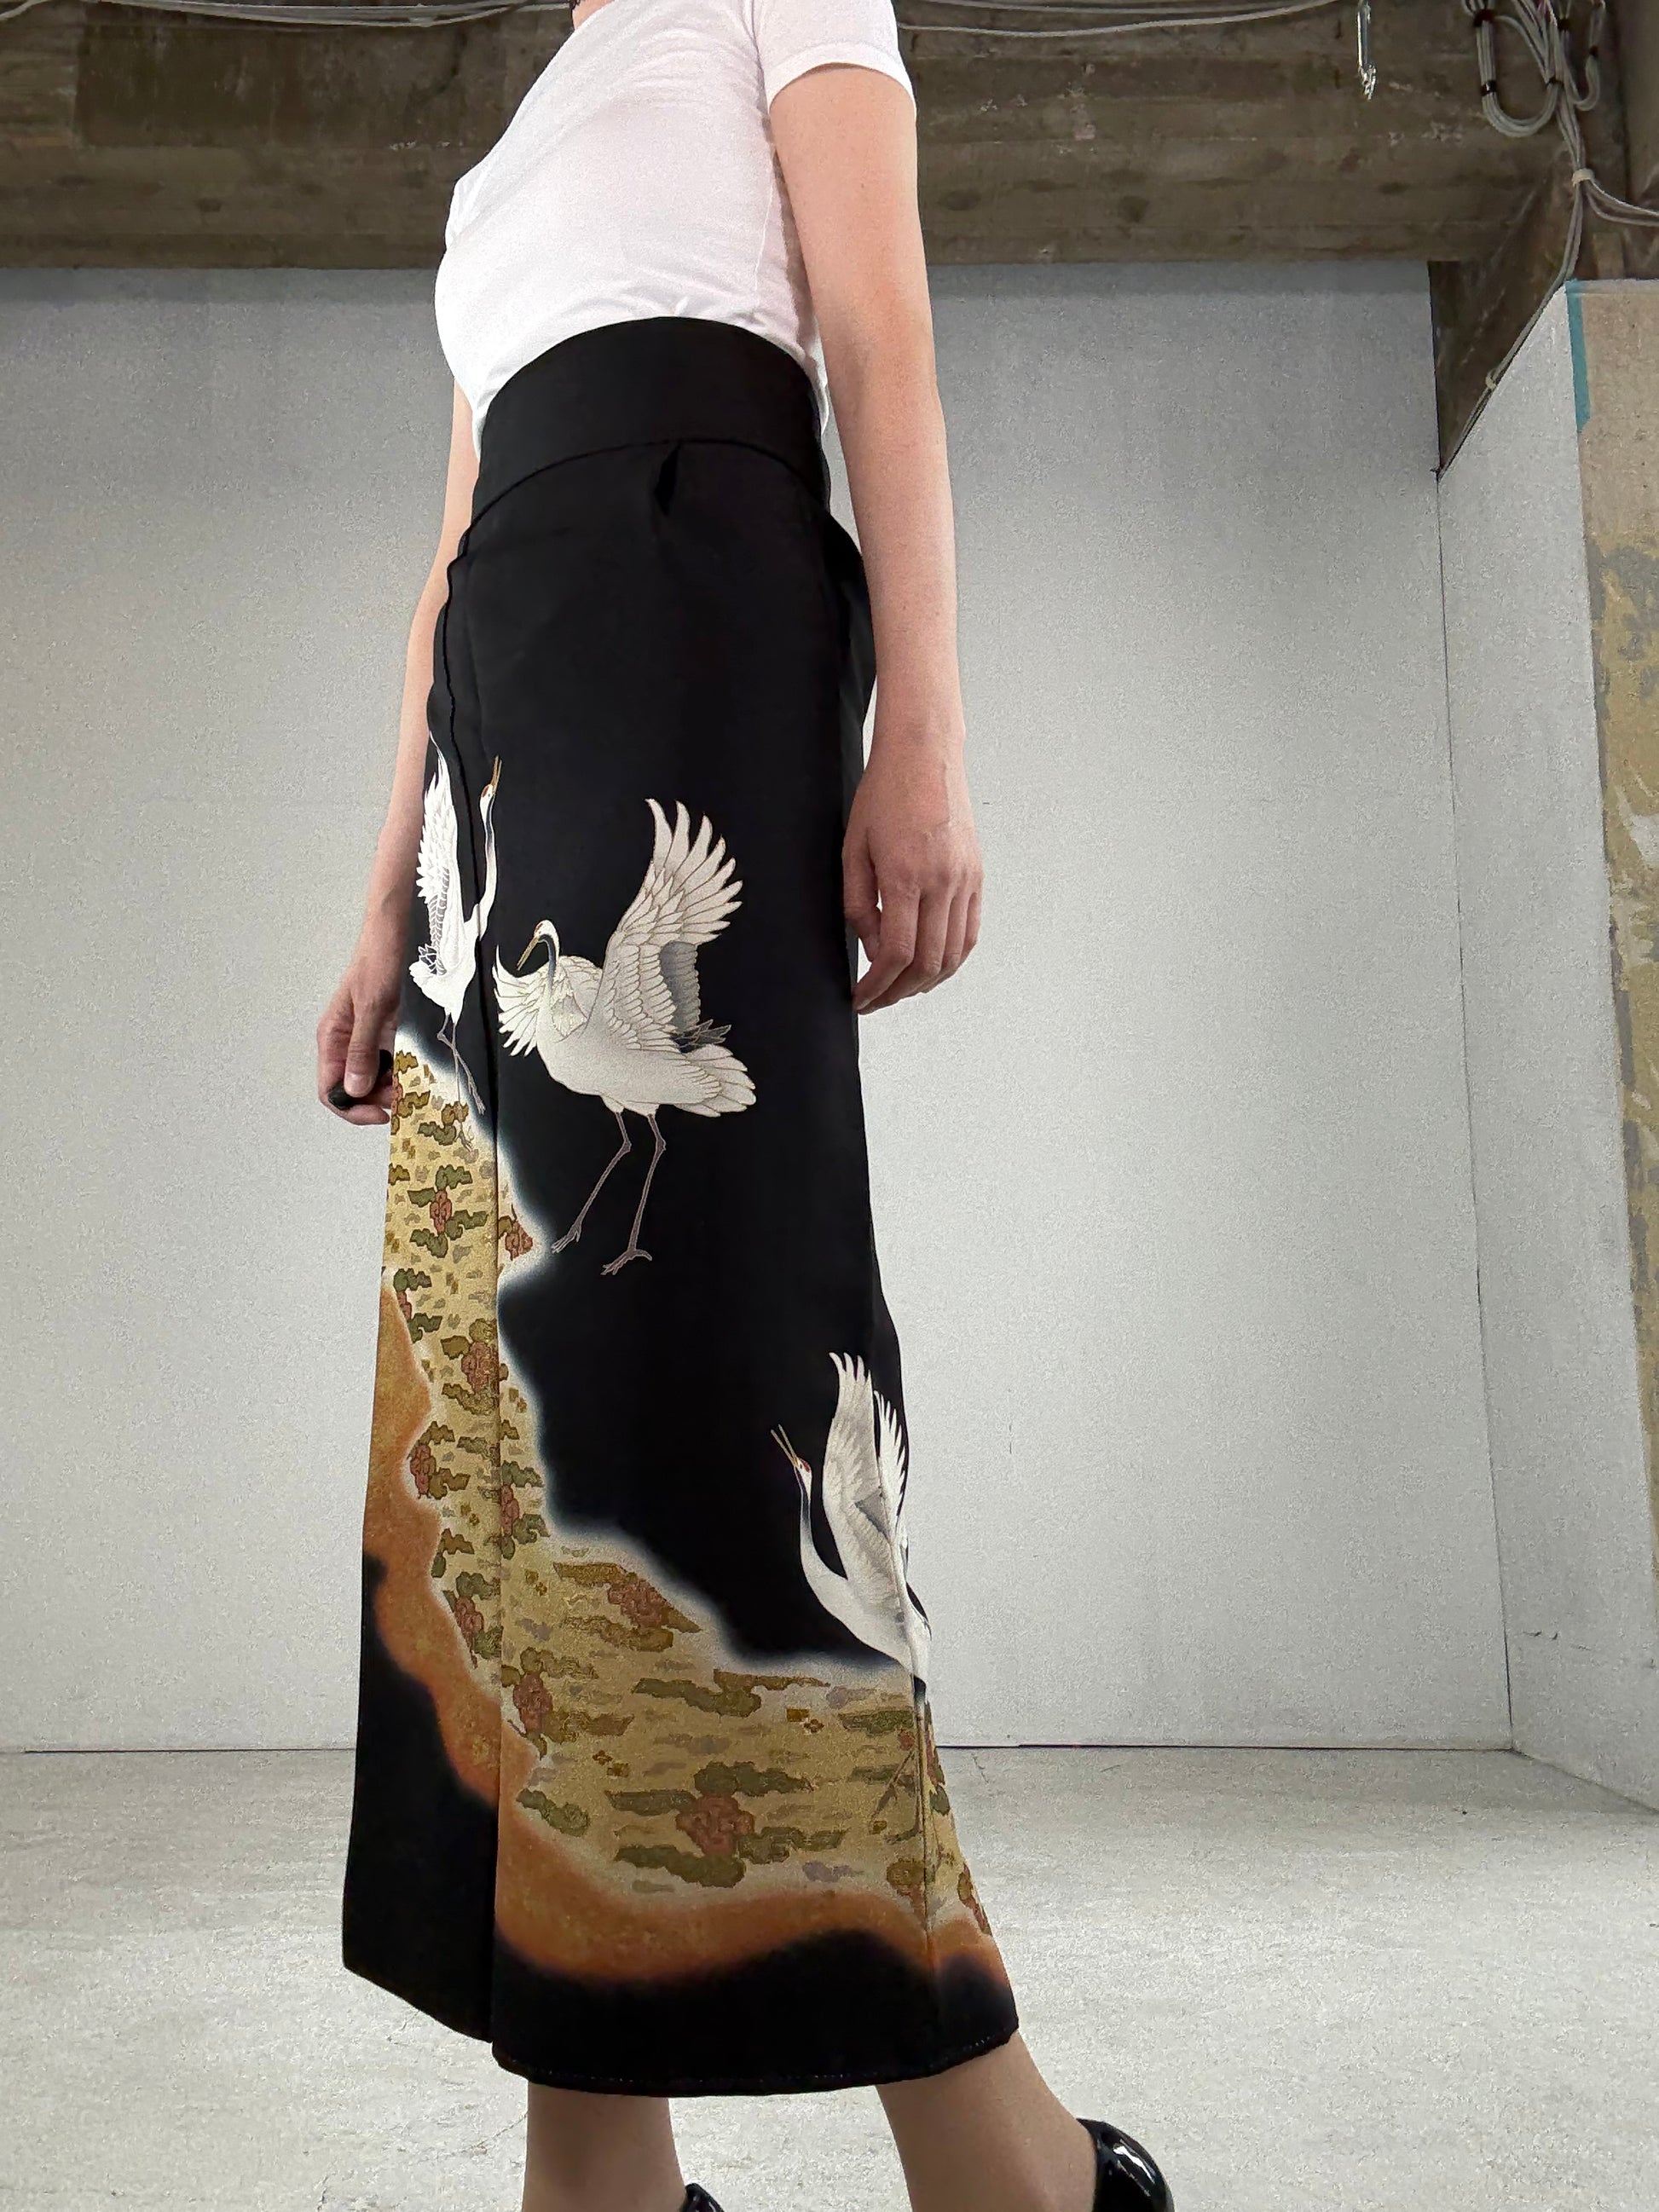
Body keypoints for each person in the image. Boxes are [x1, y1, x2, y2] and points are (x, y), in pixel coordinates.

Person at [316, 0, 1175, 2206]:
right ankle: (603, 2161)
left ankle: (995, 2151)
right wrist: (385, 889)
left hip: (694, 614)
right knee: (508, 1396)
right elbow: (445, 566)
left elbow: (878, 337)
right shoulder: (499, 166)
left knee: (716, 1348)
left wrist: (926, 732)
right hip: (509, 706)